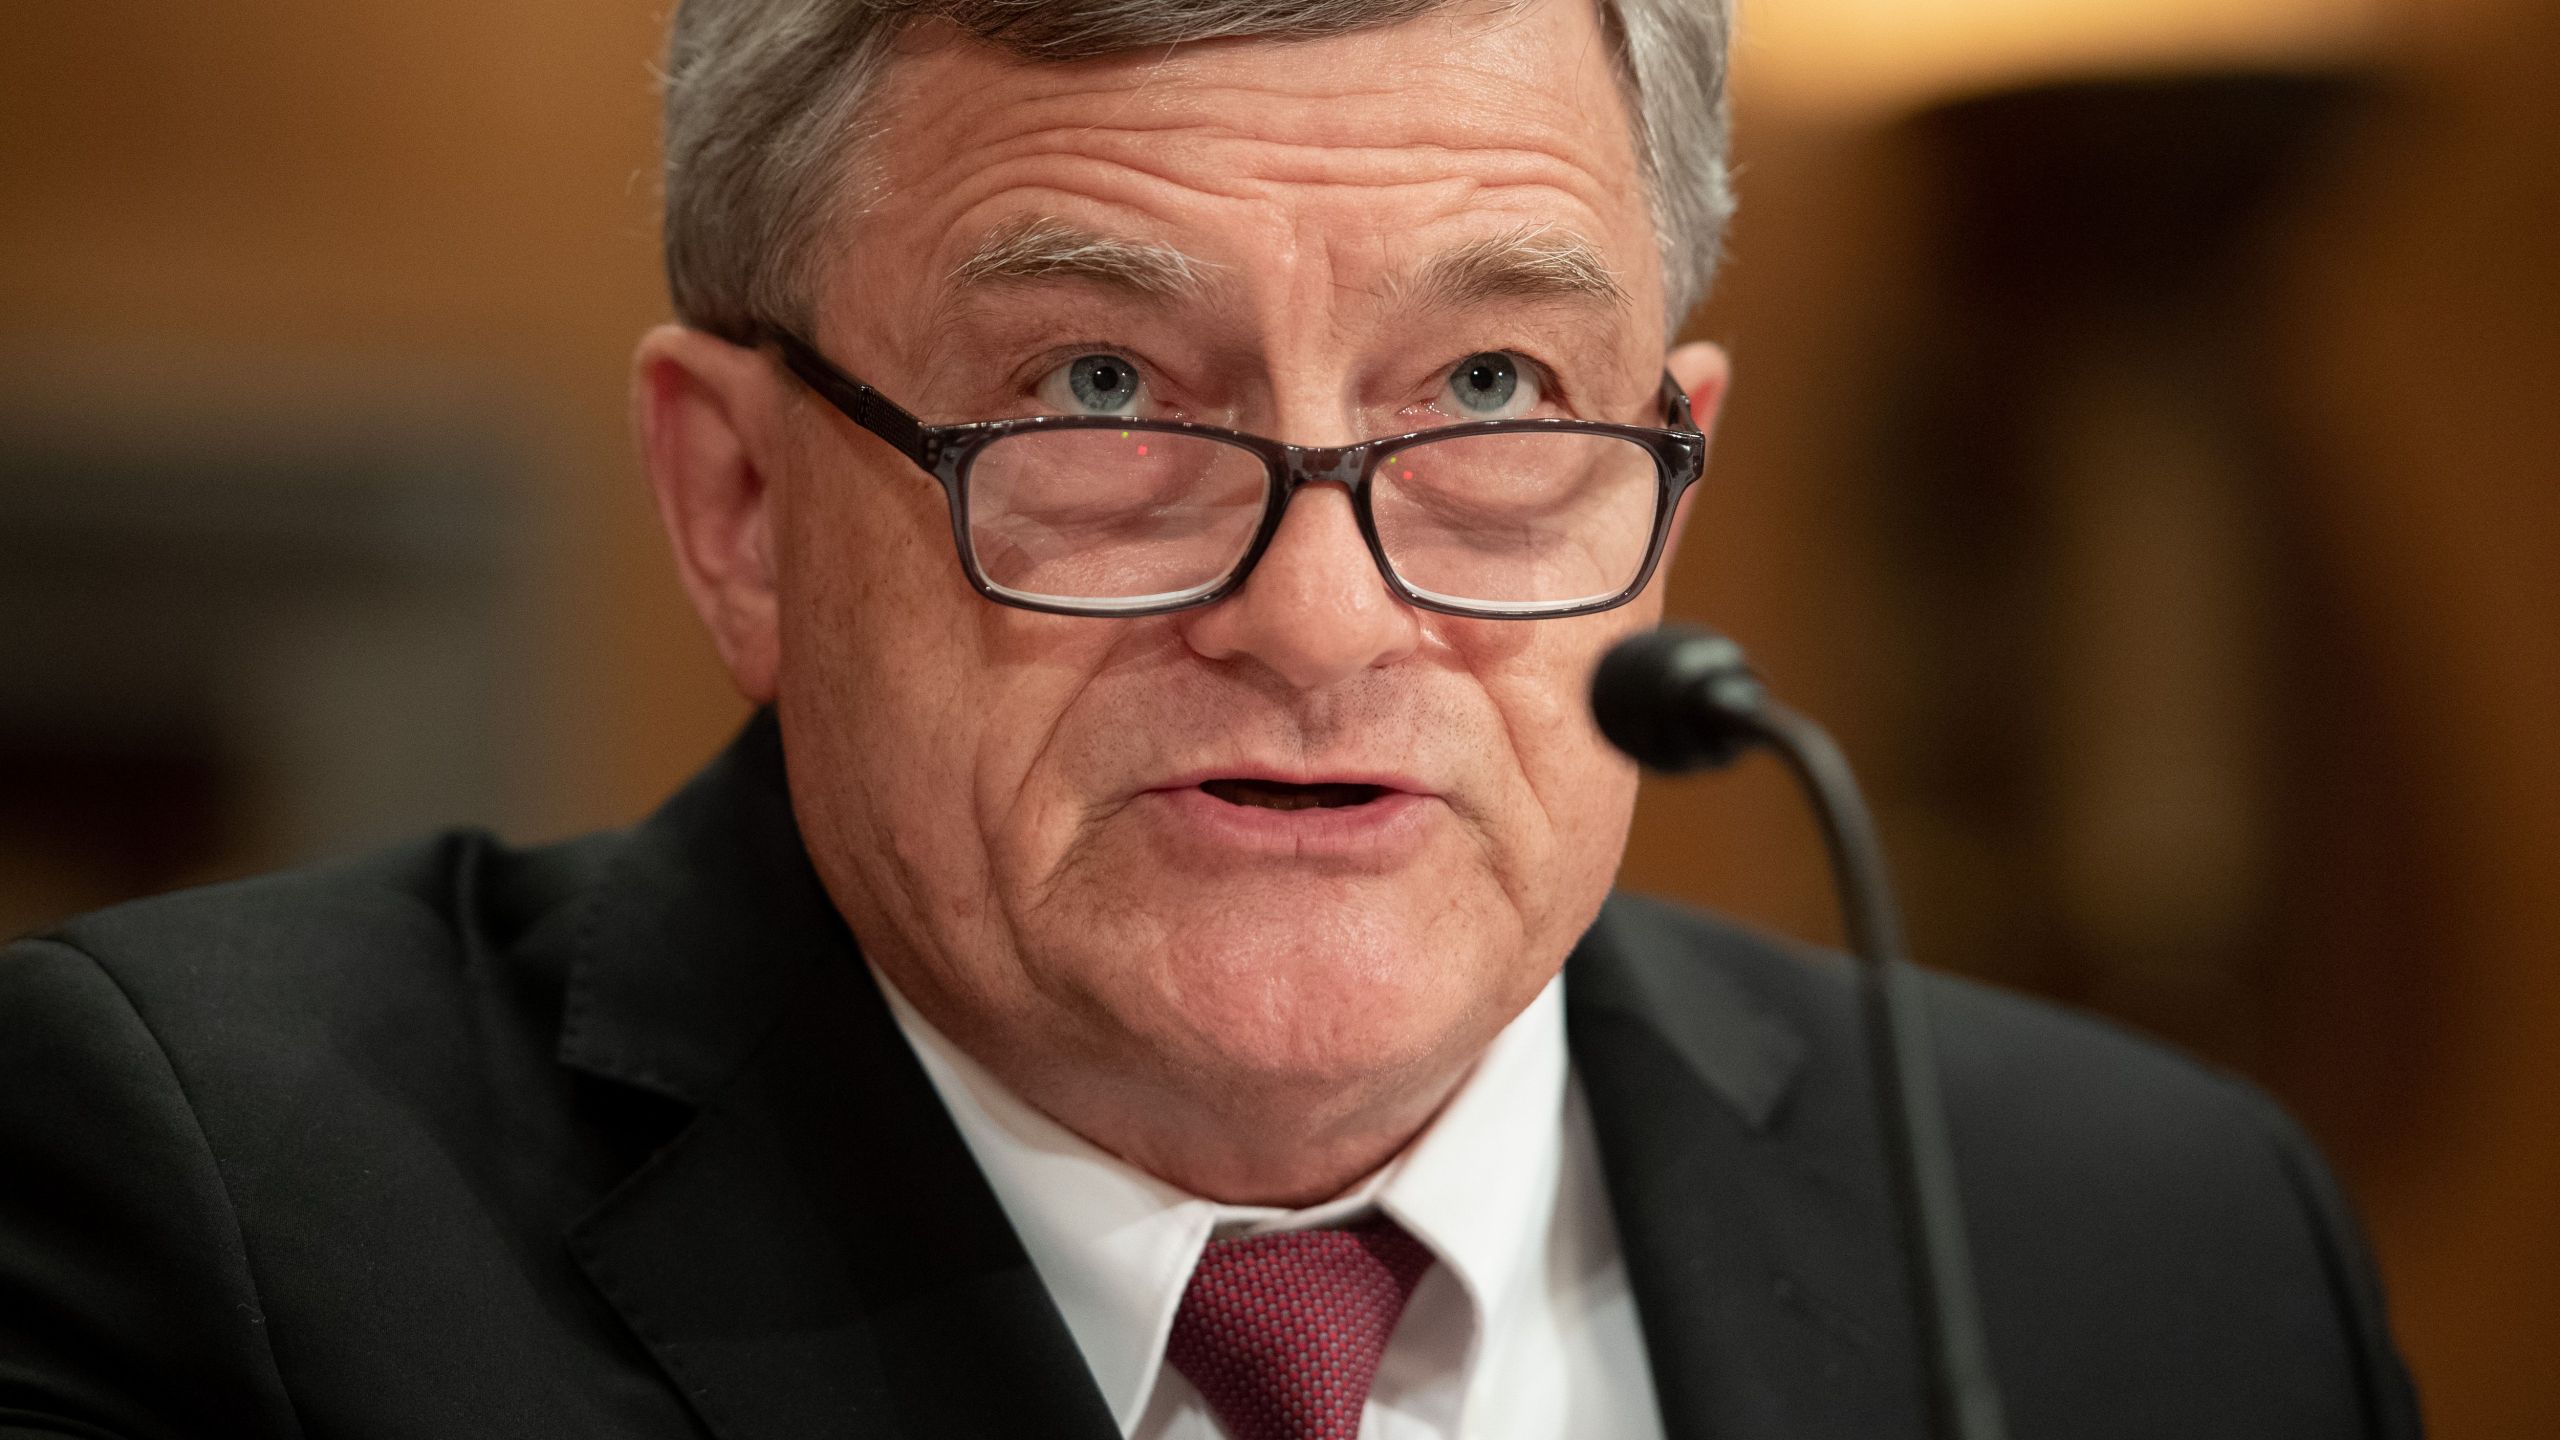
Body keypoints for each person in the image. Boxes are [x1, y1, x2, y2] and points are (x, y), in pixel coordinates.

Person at [0, 1, 2422, 1437]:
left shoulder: (2161, 1248)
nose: (1316, 612)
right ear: (737, 503)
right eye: (1093, 385)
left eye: (1488, 384)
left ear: (1667, 480)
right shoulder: (200, 1214)